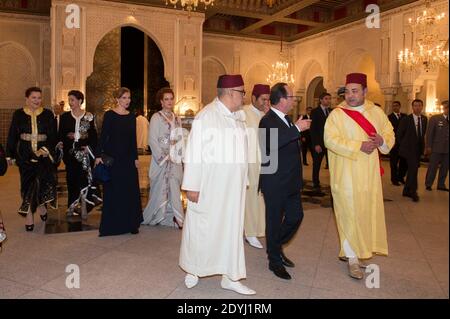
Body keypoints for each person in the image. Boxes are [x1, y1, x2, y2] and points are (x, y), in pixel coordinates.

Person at [179, 74, 255, 295]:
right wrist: (192, 186)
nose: (244, 96)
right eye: (242, 91)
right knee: (203, 228)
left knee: (231, 230)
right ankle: (194, 270)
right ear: (231, 93)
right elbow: (193, 153)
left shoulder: (238, 117)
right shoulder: (207, 116)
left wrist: (244, 179)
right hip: (210, 186)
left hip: (233, 189)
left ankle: (230, 276)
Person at [324, 73, 395, 280]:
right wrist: (358, 146)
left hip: (369, 175)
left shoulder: (376, 112)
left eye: (355, 91)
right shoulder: (337, 114)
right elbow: (330, 140)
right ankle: (352, 258)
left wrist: (381, 140)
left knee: (364, 212)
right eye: (347, 91)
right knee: (348, 213)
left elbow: (389, 134)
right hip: (345, 174)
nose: (350, 95)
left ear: (365, 91)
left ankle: (360, 250)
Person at [259, 82, 311, 280]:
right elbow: (270, 145)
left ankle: (275, 246)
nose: (294, 100)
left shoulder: (287, 119)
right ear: (281, 100)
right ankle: (274, 261)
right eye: (291, 97)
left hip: (291, 182)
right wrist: (297, 129)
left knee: (295, 217)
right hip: (275, 183)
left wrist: (295, 129)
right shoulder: (267, 120)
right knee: (273, 222)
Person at [6, 87, 58, 231]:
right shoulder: (18, 114)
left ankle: (41, 206)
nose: (37, 100)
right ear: (27, 99)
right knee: (27, 185)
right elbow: (12, 135)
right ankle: (29, 215)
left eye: (39, 98)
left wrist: (45, 150)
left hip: (43, 156)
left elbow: (53, 136)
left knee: (41, 183)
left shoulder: (48, 114)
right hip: (25, 155)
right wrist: (9, 155)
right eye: (34, 97)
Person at [95, 87, 143, 236]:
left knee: (130, 190)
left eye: (128, 98)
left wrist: (136, 158)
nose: (127, 101)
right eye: (124, 98)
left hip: (128, 160)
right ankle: (113, 226)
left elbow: (132, 140)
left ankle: (131, 224)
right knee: (114, 191)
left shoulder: (131, 116)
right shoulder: (110, 115)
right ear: (117, 99)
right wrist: (98, 155)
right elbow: (103, 136)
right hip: (113, 159)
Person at [142, 87, 184, 228]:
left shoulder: (177, 118)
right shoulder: (156, 117)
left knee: (174, 188)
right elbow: (152, 140)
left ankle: (175, 217)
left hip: (174, 161)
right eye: (166, 99)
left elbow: (180, 139)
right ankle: (158, 215)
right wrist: (164, 157)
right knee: (159, 189)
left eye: (171, 99)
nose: (169, 101)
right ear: (161, 101)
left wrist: (178, 155)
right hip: (161, 161)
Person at [58, 90, 100, 219]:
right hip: (70, 155)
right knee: (71, 180)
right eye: (69, 100)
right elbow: (61, 135)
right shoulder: (65, 117)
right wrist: (61, 141)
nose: (70, 103)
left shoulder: (88, 116)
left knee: (84, 180)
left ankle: (84, 207)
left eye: (72, 100)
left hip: (84, 154)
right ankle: (72, 205)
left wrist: (89, 147)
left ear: (80, 101)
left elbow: (93, 136)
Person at [242, 84, 270, 249]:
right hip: (250, 162)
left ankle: (259, 229)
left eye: (268, 99)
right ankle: (250, 232)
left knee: (262, 198)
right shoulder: (243, 113)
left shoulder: (268, 114)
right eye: (263, 99)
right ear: (253, 98)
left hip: (266, 161)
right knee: (251, 197)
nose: (266, 102)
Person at [397, 99, 428, 202]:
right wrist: (404, 146)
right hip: (408, 150)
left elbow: (422, 135)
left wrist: (423, 149)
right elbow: (399, 135)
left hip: (418, 150)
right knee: (413, 170)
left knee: (412, 170)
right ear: (412, 107)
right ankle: (413, 192)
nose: (417, 107)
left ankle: (406, 191)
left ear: (422, 107)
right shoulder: (406, 119)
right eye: (415, 105)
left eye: (419, 105)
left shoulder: (424, 119)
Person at [425, 100, 449, 191]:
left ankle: (441, 185)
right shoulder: (435, 118)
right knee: (432, 167)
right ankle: (428, 184)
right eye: (445, 107)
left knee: (445, 168)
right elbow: (429, 134)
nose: (447, 109)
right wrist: (428, 146)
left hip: (447, 149)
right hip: (436, 148)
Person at [310, 92, 331, 191]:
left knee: (331, 164)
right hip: (319, 143)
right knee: (317, 164)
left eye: (329, 99)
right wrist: (316, 144)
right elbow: (313, 129)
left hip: (330, 143)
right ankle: (315, 183)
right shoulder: (315, 111)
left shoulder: (331, 111)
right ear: (321, 100)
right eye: (326, 99)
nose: (328, 101)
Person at [388, 101, 408, 186]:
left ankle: (401, 177)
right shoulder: (389, 117)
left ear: (400, 106)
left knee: (403, 163)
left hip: (403, 144)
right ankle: (394, 179)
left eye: (396, 106)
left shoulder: (405, 116)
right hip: (394, 144)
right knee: (394, 163)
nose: (395, 107)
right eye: (393, 106)